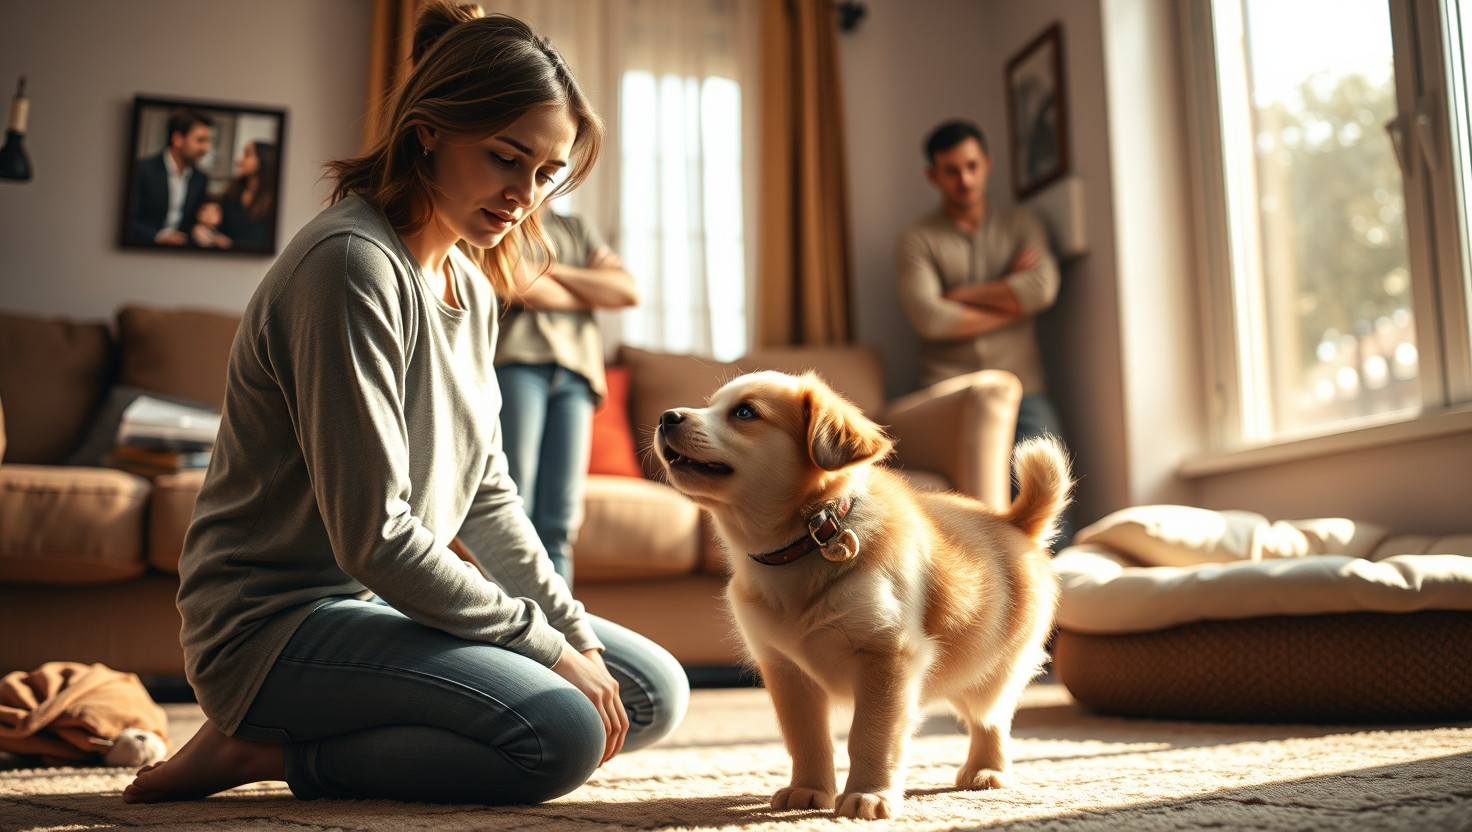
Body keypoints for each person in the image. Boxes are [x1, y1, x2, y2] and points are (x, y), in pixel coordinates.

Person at [123, 3, 687, 807]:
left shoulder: (473, 282)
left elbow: (488, 497)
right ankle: (260, 747)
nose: (525, 196)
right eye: (504, 158)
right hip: (278, 626)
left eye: (545, 173)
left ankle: (318, 728)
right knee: (561, 733)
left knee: (647, 690)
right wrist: (546, 650)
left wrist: (577, 635)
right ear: (428, 131)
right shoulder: (351, 266)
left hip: (378, 608)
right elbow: (376, 537)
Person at [894, 119, 1072, 540]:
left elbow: (1043, 290)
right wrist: (1012, 297)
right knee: (970, 519)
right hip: (949, 392)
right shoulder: (917, 240)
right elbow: (930, 319)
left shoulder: (1022, 224)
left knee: (1052, 503)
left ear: (988, 163)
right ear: (933, 175)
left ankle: (1068, 596)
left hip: (1024, 385)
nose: (965, 179)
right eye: (952, 170)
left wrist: (958, 294)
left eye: (972, 165)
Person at [496, 207, 639, 587]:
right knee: (513, 505)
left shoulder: (574, 227)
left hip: (577, 377)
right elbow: (517, 284)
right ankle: (509, 625)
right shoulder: (501, 221)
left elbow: (628, 290)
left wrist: (549, 269)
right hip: (517, 365)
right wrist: (592, 288)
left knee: (559, 522)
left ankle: (559, 631)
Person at [127, 108, 214, 246]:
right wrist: (158, 237)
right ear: (178, 139)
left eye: (208, 141)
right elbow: (127, 221)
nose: (206, 148)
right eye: (200, 140)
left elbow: (192, 221)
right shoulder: (143, 170)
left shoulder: (200, 179)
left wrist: (198, 229)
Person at [218, 140, 279, 251]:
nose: (239, 160)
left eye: (247, 155)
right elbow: (221, 229)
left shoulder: (274, 200)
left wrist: (233, 244)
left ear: (264, 159)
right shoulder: (232, 193)